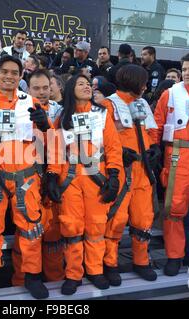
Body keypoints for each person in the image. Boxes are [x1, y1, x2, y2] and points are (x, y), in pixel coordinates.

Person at [0, 55, 52, 300]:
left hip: (26, 175)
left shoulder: (33, 102)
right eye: (4, 71)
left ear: (20, 76)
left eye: (14, 72)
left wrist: (44, 125)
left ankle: (32, 276)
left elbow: (50, 144)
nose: (9, 76)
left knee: (30, 226)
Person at [46, 74, 122, 294]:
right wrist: (51, 175)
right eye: (81, 84)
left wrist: (114, 175)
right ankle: (73, 273)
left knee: (96, 226)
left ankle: (95, 270)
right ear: (70, 89)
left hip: (96, 177)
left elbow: (113, 147)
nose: (87, 86)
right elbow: (55, 149)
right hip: (69, 179)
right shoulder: (62, 117)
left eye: (89, 84)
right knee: (71, 227)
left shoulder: (102, 114)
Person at [102, 64, 159, 286]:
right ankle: (110, 263)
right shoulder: (108, 105)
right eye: (143, 82)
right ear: (133, 82)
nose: (146, 86)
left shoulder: (142, 103)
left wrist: (154, 148)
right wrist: (119, 153)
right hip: (122, 171)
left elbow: (151, 131)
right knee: (116, 218)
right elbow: (101, 137)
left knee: (143, 218)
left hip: (143, 170)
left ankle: (141, 261)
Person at [12, 69, 64, 287]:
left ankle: (55, 281)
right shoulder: (18, 111)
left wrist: (54, 174)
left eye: (46, 87)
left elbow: (64, 147)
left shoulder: (62, 112)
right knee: (26, 231)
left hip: (55, 175)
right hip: (26, 178)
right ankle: (21, 281)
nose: (42, 92)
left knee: (52, 234)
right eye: (37, 88)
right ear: (28, 89)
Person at [149, 51, 189, 276]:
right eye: (185, 68)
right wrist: (154, 147)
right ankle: (174, 256)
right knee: (174, 209)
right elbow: (157, 123)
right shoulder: (170, 94)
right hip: (178, 156)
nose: (187, 72)